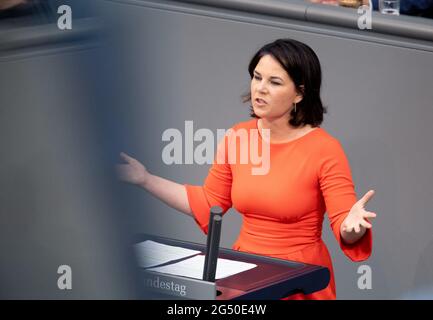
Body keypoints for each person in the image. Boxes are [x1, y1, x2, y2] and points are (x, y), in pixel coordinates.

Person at [117, 38, 377, 300]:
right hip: (244, 271)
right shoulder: (238, 136)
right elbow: (208, 201)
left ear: (299, 93)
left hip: (298, 278)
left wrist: (352, 228)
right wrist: (145, 179)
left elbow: (345, 221)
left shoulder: (325, 148)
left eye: (274, 82)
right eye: (257, 77)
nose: (260, 89)